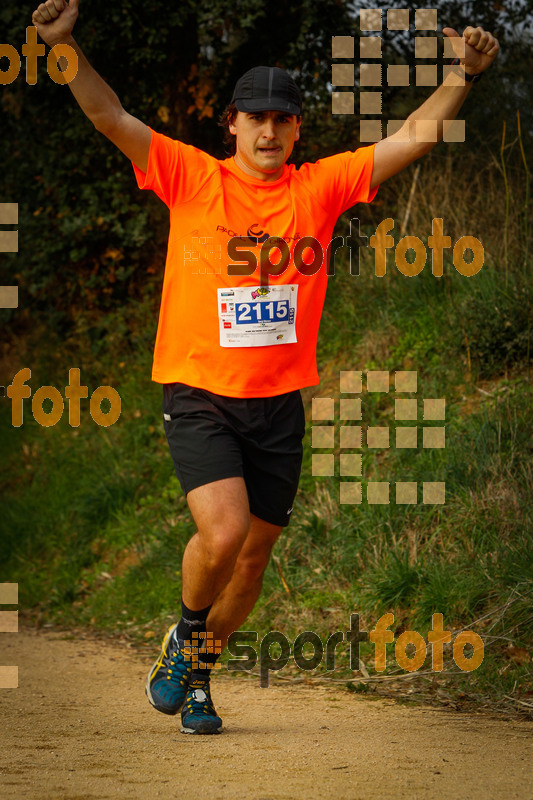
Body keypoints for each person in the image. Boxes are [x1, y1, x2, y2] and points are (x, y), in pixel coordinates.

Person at [32, 0, 499, 734]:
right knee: (221, 536)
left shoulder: (319, 187)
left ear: (296, 130)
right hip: (198, 394)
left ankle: (198, 680)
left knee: (249, 563)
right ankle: (184, 637)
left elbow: (411, 136)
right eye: (257, 117)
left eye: (284, 119)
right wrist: (64, 52)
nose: (270, 130)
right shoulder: (190, 177)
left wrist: (460, 77)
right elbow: (110, 117)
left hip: (278, 403)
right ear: (233, 122)